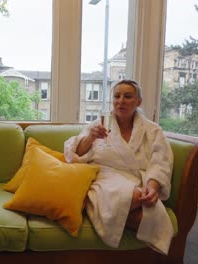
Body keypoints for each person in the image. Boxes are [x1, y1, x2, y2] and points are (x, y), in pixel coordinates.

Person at [64, 79, 174, 254]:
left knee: (146, 210)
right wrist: (90, 137)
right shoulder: (100, 124)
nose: (121, 100)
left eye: (128, 96)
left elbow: (160, 161)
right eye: (117, 96)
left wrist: (153, 187)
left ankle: (93, 209)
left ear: (139, 102)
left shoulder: (153, 130)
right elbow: (75, 153)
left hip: (135, 179)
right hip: (104, 176)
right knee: (147, 213)